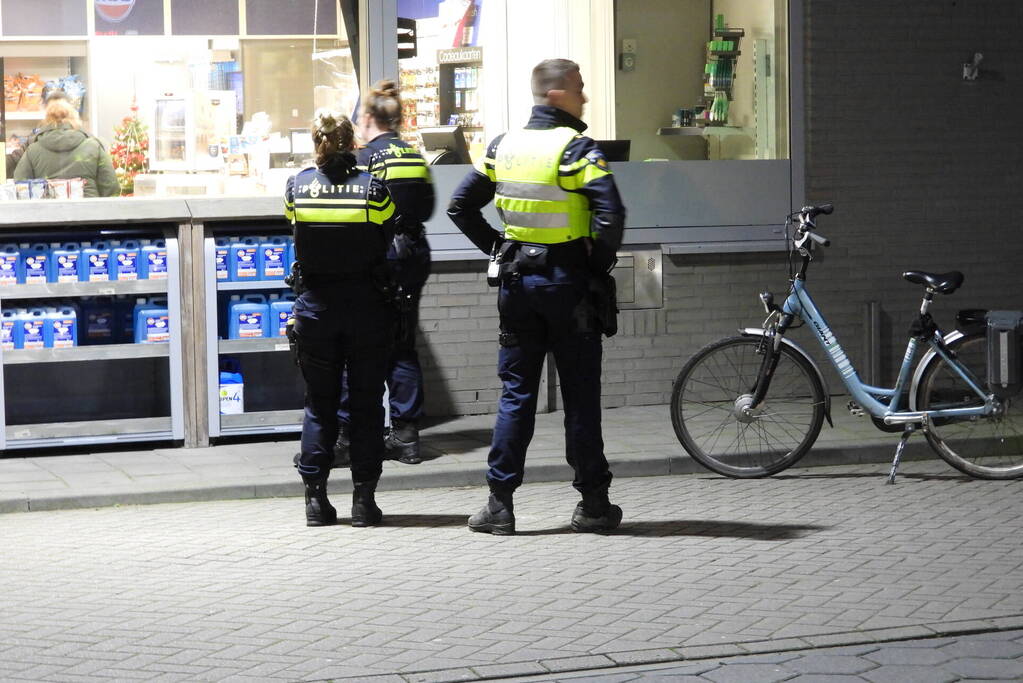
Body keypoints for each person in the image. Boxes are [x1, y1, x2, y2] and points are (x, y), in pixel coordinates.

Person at [447, 58, 627, 535]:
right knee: (581, 398)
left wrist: (499, 248)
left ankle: (499, 506)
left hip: (517, 286)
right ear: (555, 95)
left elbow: (459, 206)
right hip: (567, 286)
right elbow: (611, 212)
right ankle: (592, 505)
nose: (584, 96)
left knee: (516, 396)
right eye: (579, 88)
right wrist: (593, 267)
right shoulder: (575, 149)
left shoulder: (502, 147)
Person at [286, 109, 399, 527]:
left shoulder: (297, 187)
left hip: (316, 310)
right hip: (366, 308)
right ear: (353, 143)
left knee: (320, 404)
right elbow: (388, 234)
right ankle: (363, 502)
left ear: (315, 144)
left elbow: (295, 231)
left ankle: (315, 501)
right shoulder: (373, 189)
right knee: (367, 405)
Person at [334, 79, 435, 468]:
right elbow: (426, 209)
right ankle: (407, 436)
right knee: (402, 344)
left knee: (356, 346)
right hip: (413, 255)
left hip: (378, 259)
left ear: (368, 117)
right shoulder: (413, 155)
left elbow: (354, 209)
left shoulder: (365, 158)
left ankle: (351, 434)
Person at [13, 97, 119, 198]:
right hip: (88, 212)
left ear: (46, 121)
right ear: (75, 118)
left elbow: (21, 186)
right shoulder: (93, 146)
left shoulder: (32, 150)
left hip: (47, 213)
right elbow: (111, 186)